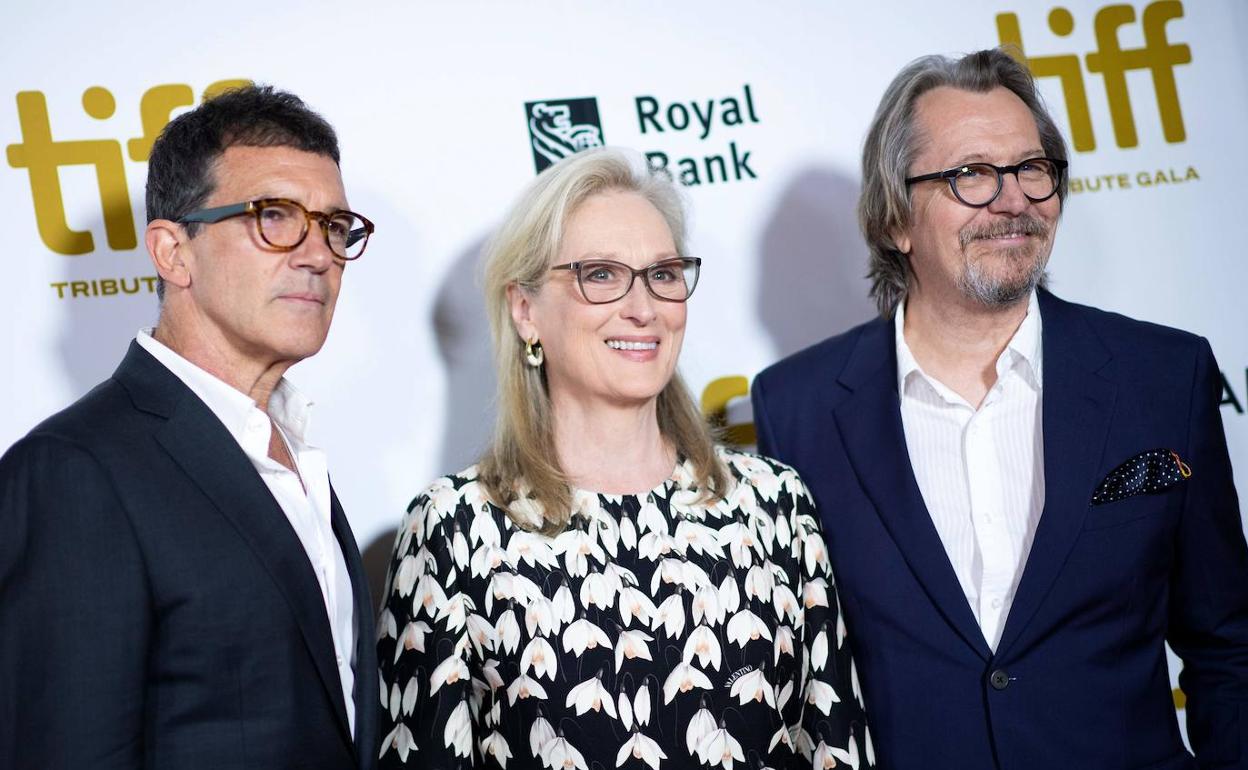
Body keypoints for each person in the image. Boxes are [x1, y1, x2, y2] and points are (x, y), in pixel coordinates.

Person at [751, 48, 1248, 768]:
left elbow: (1228, 645)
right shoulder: (797, 406)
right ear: (897, 219)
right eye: (971, 175)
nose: (1013, 199)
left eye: (1031, 169)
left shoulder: (1161, 376)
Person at [377, 148, 873, 769]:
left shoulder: (773, 505)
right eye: (602, 275)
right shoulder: (454, 529)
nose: (644, 307)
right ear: (525, 309)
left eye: (663, 273)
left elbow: (836, 748)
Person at [0, 85, 380, 769]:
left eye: (333, 226)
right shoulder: (75, 472)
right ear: (173, 252)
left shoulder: (294, 448)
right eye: (275, 218)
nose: (318, 254)